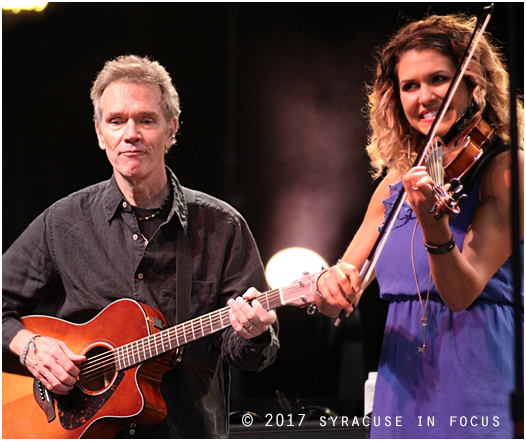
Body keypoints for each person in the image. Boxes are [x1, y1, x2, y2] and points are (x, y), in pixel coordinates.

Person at [2, 55, 279, 438]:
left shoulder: (222, 227)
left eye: (146, 120)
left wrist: (254, 334)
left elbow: (249, 355)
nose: (130, 133)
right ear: (100, 133)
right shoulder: (63, 222)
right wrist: (30, 346)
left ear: (172, 129)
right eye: (116, 121)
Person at [315, 13, 524, 438]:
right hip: (402, 382)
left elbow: (462, 293)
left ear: (474, 85)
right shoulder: (395, 185)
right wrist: (327, 285)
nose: (425, 96)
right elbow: (337, 297)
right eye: (410, 86)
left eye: (438, 80)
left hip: (476, 375)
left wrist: (435, 226)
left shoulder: (506, 168)